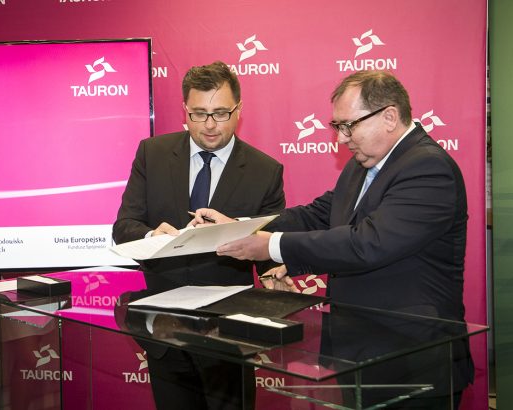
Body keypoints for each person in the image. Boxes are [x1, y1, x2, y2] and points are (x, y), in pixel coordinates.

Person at [192, 70, 474, 409]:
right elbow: (316, 215)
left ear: (389, 116)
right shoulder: (363, 163)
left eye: (349, 126)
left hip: (412, 362)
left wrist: (270, 246)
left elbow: (367, 244)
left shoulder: (428, 168)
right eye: (337, 126)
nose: (341, 139)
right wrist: (240, 228)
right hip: (358, 354)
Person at [112, 61, 285, 410]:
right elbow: (124, 227)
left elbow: (267, 245)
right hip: (163, 330)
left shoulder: (265, 171)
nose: (209, 125)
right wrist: (152, 235)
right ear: (185, 109)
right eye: (199, 113)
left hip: (228, 337)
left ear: (239, 109)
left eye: (220, 113)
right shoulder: (152, 153)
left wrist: (274, 272)